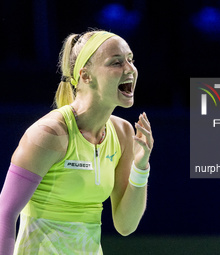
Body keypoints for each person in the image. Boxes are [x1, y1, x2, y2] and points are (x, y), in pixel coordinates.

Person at [0, 29, 154, 254]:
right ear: (85, 76)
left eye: (131, 60)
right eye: (116, 63)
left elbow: (125, 225)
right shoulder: (50, 134)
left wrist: (140, 168)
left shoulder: (122, 133)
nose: (130, 69)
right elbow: (5, 212)